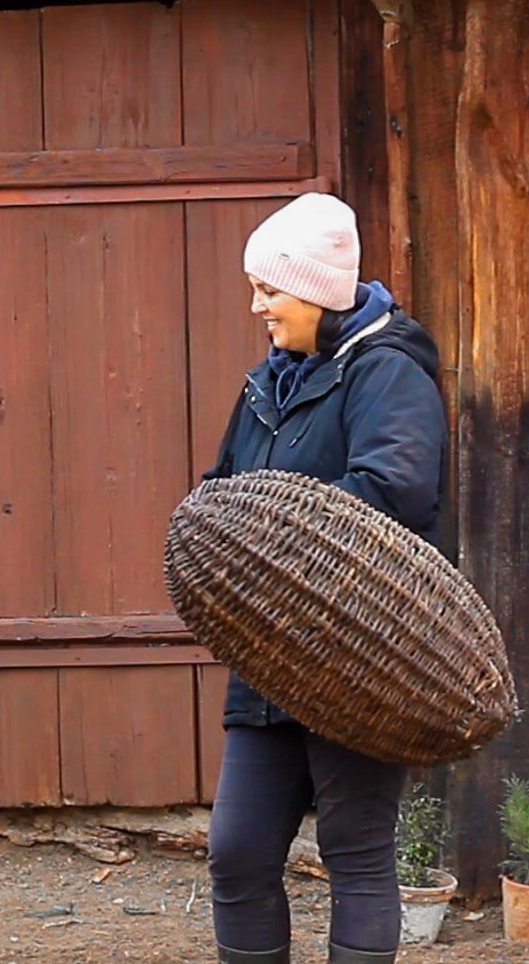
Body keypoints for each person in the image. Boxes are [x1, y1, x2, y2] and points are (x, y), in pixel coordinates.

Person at [203, 193, 449, 963]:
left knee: (355, 853)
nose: (257, 306)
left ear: (313, 289)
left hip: (359, 654)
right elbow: (222, 486)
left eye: (269, 290)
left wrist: (267, 527)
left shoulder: (387, 371)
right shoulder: (268, 385)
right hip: (270, 656)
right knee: (237, 852)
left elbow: (396, 488)